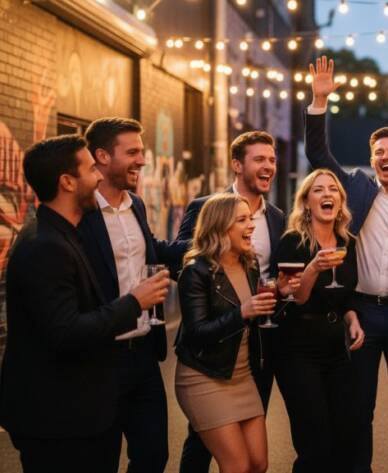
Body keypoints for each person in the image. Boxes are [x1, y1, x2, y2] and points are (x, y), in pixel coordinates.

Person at [0, 134, 169, 472]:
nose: (98, 177)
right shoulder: (45, 246)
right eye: (92, 169)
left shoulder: (62, 234)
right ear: (67, 182)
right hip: (57, 417)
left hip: (76, 409)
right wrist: (135, 302)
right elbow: (66, 332)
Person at [306, 55, 388, 473]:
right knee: (359, 406)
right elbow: (316, 153)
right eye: (378, 152)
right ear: (372, 159)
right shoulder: (357, 189)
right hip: (360, 310)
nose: (385, 157)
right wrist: (319, 102)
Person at [78, 117, 189, 473]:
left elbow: (151, 249)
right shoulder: (81, 213)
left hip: (143, 352)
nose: (142, 160)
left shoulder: (136, 205)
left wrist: (208, 245)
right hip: (100, 359)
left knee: (153, 455)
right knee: (101, 460)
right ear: (102, 156)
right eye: (133, 152)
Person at [176, 131, 287, 473]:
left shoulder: (260, 247)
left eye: (272, 159)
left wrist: (280, 290)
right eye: (260, 159)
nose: (268, 165)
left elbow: (262, 299)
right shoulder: (199, 263)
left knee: (256, 462)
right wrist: (241, 307)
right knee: (226, 458)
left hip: (248, 358)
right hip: (207, 368)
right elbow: (180, 255)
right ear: (238, 165)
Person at [274, 169, 365, 472]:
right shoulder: (292, 242)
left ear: (340, 200)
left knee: (345, 437)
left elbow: (347, 295)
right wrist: (313, 268)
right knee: (315, 444)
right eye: (318, 190)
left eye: (333, 190)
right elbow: (295, 298)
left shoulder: (347, 242)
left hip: (336, 349)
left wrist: (352, 318)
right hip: (299, 350)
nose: (327, 194)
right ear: (307, 202)